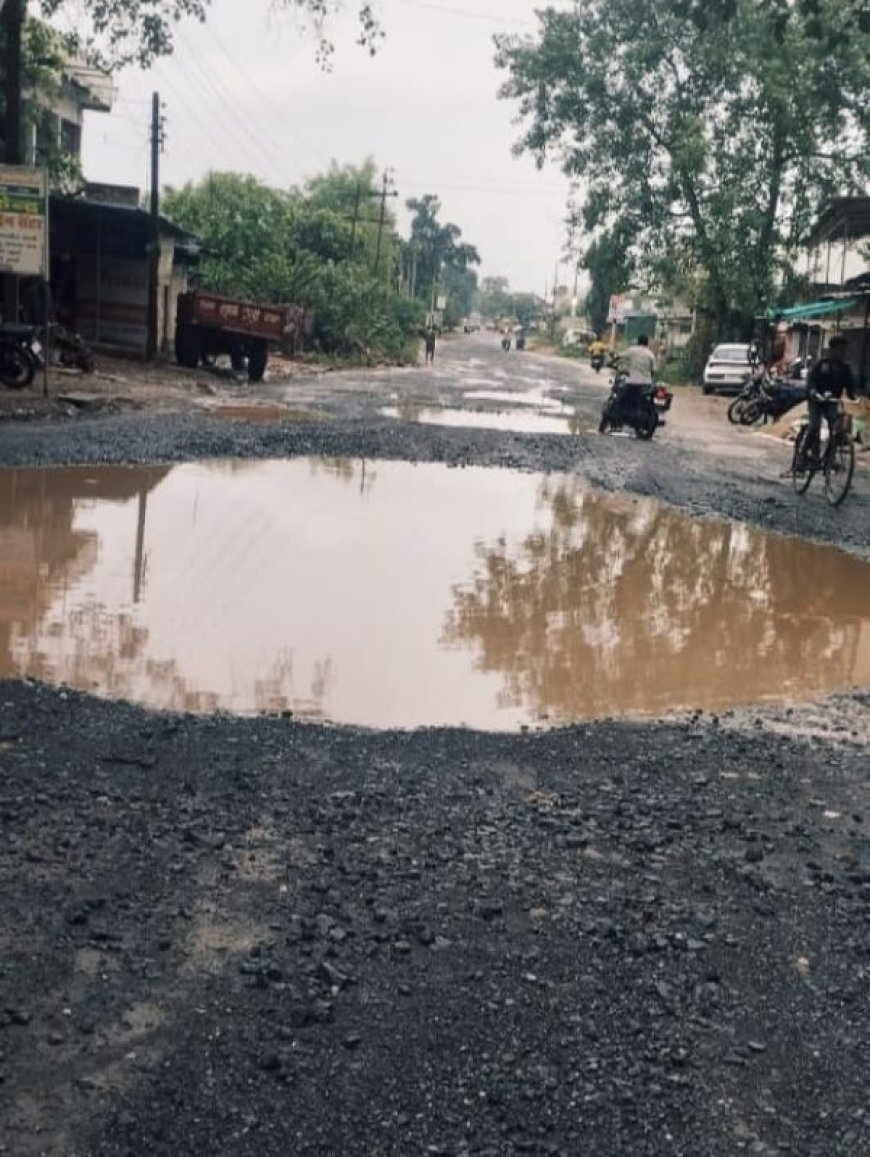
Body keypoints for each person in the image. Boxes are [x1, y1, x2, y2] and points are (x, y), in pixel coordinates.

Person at [800, 334, 856, 467]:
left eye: (843, 350)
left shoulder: (845, 369)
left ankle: (829, 458)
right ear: (832, 350)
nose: (841, 353)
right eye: (839, 349)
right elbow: (811, 380)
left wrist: (854, 396)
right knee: (814, 426)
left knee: (836, 429)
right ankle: (802, 455)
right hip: (816, 401)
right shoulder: (822, 364)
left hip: (832, 402)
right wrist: (813, 392)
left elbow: (850, 386)